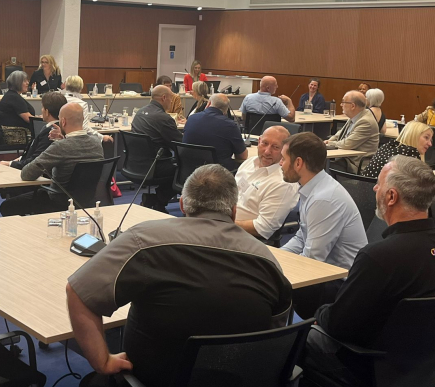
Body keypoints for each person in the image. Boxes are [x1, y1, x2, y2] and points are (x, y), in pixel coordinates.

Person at [67, 165, 292, 387]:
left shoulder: (142, 240)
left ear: (182, 205)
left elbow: (77, 291)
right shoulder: (267, 259)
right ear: (233, 211)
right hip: (240, 379)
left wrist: (103, 361)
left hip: (153, 378)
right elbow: (275, 332)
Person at [302, 156, 435, 386]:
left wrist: (319, 313)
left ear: (391, 197)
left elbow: (340, 326)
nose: (374, 188)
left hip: (371, 365)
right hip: (425, 362)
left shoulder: (378, 256)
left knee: (299, 339)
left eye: (379, 184)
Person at [280, 132, 367, 318]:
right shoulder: (314, 187)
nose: (280, 164)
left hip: (340, 286)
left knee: (272, 290)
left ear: (298, 163)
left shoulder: (323, 199)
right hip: (327, 275)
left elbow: (312, 261)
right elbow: (302, 237)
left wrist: (276, 273)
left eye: (283, 159)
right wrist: (274, 259)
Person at [0, 103, 103, 216]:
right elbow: (77, 147)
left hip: (57, 200)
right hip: (87, 200)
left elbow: (27, 174)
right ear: (82, 120)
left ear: (63, 122)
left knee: (7, 207)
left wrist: (60, 143)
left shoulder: (60, 147)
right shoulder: (96, 142)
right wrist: (64, 139)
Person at [234, 126, 298, 240]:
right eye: (264, 143)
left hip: (244, 237)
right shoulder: (249, 163)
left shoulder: (283, 182)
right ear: (259, 141)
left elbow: (263, 228)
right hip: (224, 223)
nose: (267, 151)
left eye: (275, 147)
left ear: (286, 150)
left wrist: (224, 223)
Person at [131, 85, 183, 211]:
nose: (171, 102)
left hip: (136, 164)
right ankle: (158, 200)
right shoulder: (163, 118)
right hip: (154, 166)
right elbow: (180, 144)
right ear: (164, 98)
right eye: (171, 99)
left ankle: (155, 200)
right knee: (184, 169)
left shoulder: (139, 112)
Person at [0, 91, 66, 170]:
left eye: (42, 107)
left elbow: (35, 161)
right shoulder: (53, 128)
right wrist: (16, 160)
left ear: (47, 112)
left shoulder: (51, 133)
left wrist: (10, 164)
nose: (41, 110)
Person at [182, 93, 247, 171]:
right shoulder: (230, 125)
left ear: (208, 103)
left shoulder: (191, 119)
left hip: (189, 172)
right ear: (226, 110)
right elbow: (242, 157)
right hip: (218, 175)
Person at [325, 90, 380, 174]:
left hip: (355, 165)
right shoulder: (356, 116)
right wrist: (329, 141)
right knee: (318, 163)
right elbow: (338, 135)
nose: (341, 105)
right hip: (345, 159)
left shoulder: (366, 122)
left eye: (343, 102)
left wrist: (329, 144)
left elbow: (347, 144)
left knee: (321, 167)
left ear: (353, 106)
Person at [361, 121, 433, 178]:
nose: (430, 144)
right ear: (414, 135)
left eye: (430, 140)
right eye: (426, 138)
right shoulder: (411, 154)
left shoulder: (387, 146)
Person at [0, 70, 35, 144]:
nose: (28, 83)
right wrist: (43, 119)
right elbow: (29, 119)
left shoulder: (10, 95)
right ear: (18, 83)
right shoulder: (14, 98)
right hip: (18, 133)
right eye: (25, 81)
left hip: (12, 131)